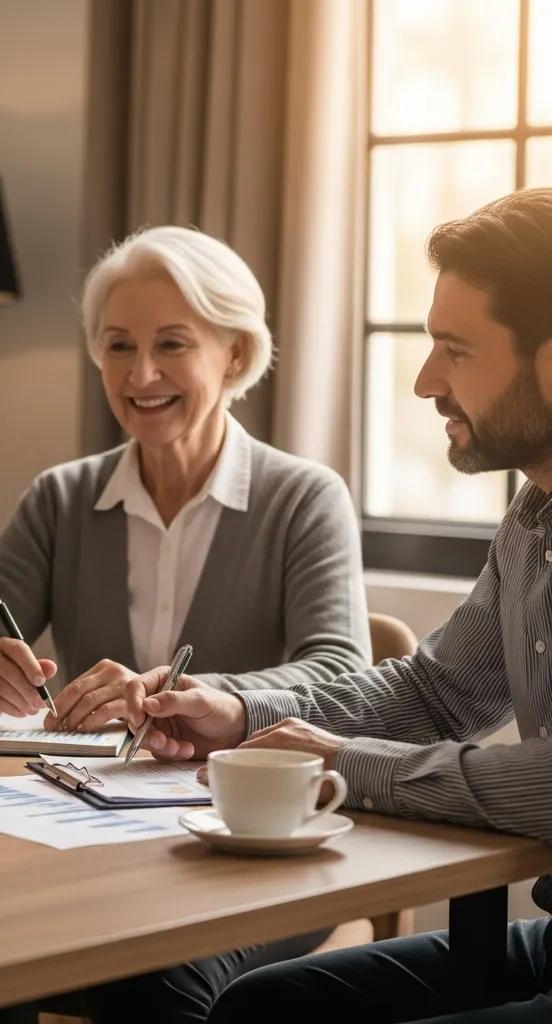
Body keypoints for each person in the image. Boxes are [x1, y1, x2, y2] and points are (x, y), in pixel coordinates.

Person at [0, 225, 371, 1021]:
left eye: (171, 345)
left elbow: (343, 674)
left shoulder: (304, 499)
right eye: (119, 346)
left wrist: (187, 695)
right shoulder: (60, 498)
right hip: (77, 839)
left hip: (247, 852)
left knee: (155, 980)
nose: (142, 374)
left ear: (233, 354)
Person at [118, 189, 552, 1024]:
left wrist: (345, 762)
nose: (426, 381)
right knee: (261, 1010)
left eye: (455, 351)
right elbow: (436, 694)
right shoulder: (532, 521)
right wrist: (242, 712)